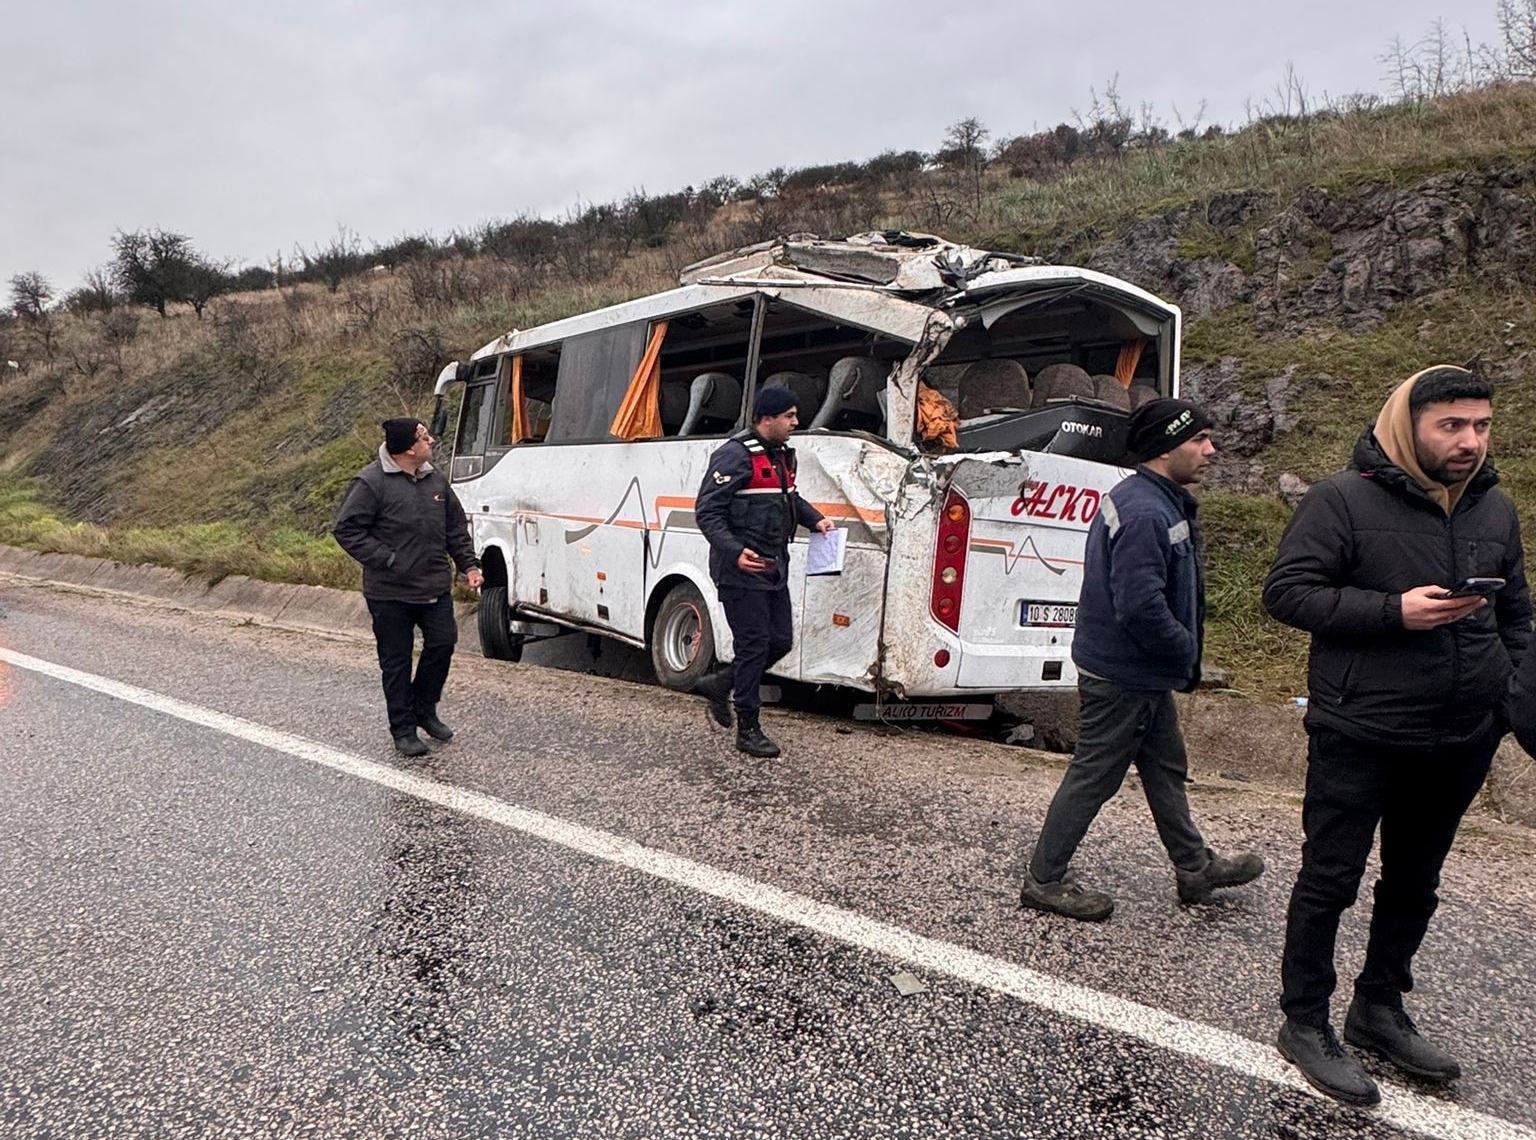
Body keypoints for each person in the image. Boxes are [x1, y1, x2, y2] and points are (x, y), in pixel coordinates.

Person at [1263, 365, 1529, 1107]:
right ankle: (1304, 1022)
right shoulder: (1340, 499)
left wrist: (1506, 698)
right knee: (1330, 880)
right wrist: (1393, 612)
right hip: (1362, 728)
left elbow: (1516, 615)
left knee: (1414, 884)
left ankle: (1378, 1008)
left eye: (1480, 425)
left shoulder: (1494, 510)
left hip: (1461, 735)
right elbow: (1287, 593)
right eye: (1452, 425)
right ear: (1405, 425)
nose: (1470, 441)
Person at [1020, 398, 1264, 923]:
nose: (1210, 449)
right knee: (1095, 776)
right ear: (1164, 447)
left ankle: (1194, 867)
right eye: (1198, 439)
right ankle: (1044, 880)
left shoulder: (1149, 499)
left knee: (1164, 767)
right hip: (1124, 673)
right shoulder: (1147, 511)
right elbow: (1139, 604)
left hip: (1140, 671)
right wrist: (1186, 649)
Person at [694, 385, 834, 758]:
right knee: (754, 645)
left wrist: (815, 520)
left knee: (780, 641)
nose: (795, 422)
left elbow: (790, 498)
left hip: (773, 567)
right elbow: (707, 512)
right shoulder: (733, 457)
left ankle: (721, 683)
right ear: (766, 418)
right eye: (789, 416)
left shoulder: (783, 456)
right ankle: (748, 729)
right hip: (739, 570)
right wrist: (736, 552)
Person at [334, 417, 484, 757]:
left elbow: (455, 529)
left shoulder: (435, 479)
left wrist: (469, 565)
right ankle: (402, 728)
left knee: (443, 644)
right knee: (396, 660)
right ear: (406, 449)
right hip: (389, 593)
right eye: (423, 437)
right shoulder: (371, 483)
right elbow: (347, 531)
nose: (430, 441)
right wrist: (388, 559)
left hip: (433, 585)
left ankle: (425, 710)